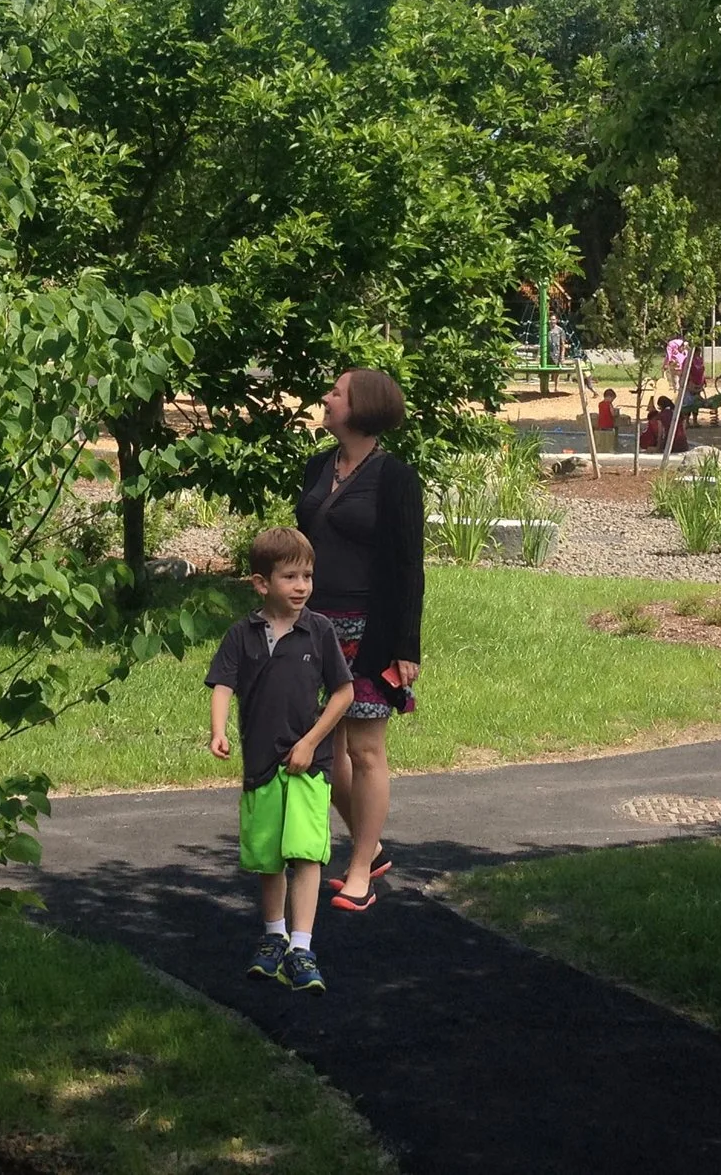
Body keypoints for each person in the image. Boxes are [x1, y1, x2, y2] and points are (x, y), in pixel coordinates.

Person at [208, 527, 356, 994]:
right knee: (270, 855)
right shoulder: (242, 634)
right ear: (260, 583)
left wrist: (312, 741)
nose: (301, 586)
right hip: (261, 764)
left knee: (306, 853)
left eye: (307, 576)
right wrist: (218, 730)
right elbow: (223, 684)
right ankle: (273, 937)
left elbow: (343, 691)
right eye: (290, 576)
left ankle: (302, 945)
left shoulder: (320, 630)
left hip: (310, 765)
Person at [298, 367, 424, 912]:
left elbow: (409, 567)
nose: (325, 398)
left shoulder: (395, 478)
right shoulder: (316, 466)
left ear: (362, 407)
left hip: (367, 631)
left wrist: (406, 647)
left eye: (336, 393)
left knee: (366, 750)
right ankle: (369, 847)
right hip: (313, 625)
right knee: (325, 750)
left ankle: (359, 873)